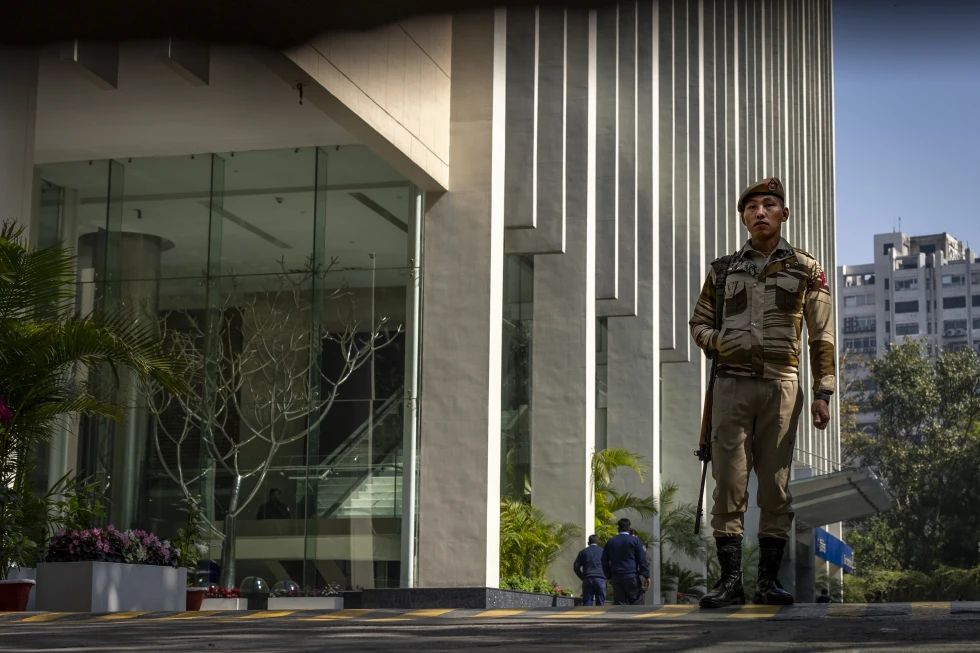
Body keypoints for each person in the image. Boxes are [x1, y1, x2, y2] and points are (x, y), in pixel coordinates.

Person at [689, 177, 835, 608]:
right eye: (751, 207)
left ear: (784, 214)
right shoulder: (723, 269)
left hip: (782, 385)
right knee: (728, 485)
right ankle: (730, 582)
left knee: (775, 487)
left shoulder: (807, 269)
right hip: (730, 385)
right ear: (743, 217)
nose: (760, 212)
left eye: (769, 205)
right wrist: (717, 342)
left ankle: (768, 582)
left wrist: (823, 392)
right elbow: (698, 324)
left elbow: (821, 335)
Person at [601, 518, 650, 605]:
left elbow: (604, 561)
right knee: (635, 601)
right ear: (629, 529)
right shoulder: (635, 541)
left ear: (618, 529)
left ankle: (620, 618)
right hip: (632, 576)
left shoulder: (610, 542)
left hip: (616, 577)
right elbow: (642, 560)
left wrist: (608, 575)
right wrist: (646, 576)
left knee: (619, 603)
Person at [573, 535, 606, 606]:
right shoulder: (603, 551)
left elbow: (576, 567)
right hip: (600, 578)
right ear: (598, 542)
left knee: (587, 602)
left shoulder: (583, 552)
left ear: (588, 543)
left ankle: (586, 615)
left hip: (587, 578)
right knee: (600, 603)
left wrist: (583, 577)